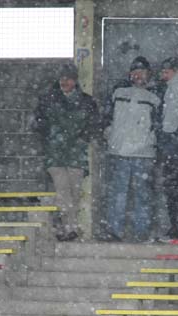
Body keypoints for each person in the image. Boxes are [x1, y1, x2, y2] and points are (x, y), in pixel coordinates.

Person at [33, 64, 99, 241]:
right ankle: (68, 228)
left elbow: (94, 125)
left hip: (76, 155)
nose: (64, 82)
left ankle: (68, 227)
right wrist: (50, 139)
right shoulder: (48, 100)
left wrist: (82, 138)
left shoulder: (86, 101)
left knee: (74, 192)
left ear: (75, 80)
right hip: (56, 154)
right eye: (62, 78)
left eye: (68, 78)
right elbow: (38, 123)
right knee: (63, 191)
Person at [101, 56, 161, 242]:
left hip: (143, 153)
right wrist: (109, 134)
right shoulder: (118, 92)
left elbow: (160, 124)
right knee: (118, 194)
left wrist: (150, 141)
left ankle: (141, 232)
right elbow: (106, 117)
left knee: (142, 195)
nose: (138, 76)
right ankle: (114, 230)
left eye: (141, 72)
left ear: (148, 74)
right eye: (134, 72)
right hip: (118, 151)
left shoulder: (155, 95)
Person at [157, 57, 178, 239]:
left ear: (175, 71)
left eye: (166, 72)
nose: (163, 76)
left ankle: (176, 226)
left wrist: (166, 136)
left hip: (175, 145)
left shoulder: (174, 87)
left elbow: (172, 118)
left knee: (173, 187)